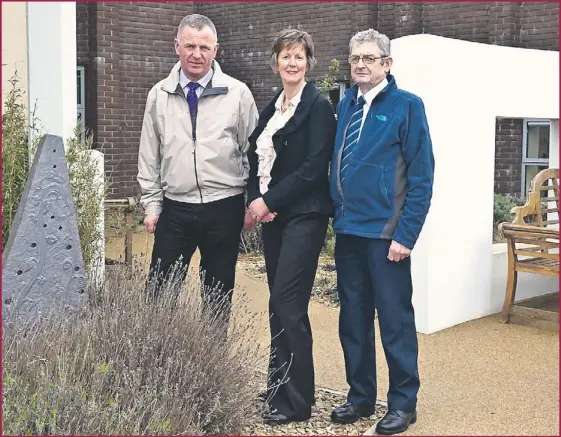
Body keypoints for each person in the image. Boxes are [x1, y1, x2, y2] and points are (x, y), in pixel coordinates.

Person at [329, 29, 435, 435]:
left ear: (386, 64)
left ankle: (403, 404)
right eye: (355, 57)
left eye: (369, 58)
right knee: (353, 320)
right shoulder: (348, 105)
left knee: (395, 321)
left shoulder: (408, 106)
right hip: (349, 231)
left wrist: (405, 235)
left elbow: (422, 177)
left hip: (386, 236)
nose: (360, 64)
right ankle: (360, 397)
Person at [137, 14, 259, 322]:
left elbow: (255, 154)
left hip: (224, 208)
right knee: (159, 297)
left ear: (216, 49)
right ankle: (155, 364)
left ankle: (214, 366)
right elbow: (149, 155)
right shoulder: (158, 95)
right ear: (176, 46)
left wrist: (252, 202)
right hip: (175, 210)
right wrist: (152, 205)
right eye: (189, 45)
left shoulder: (238, 94)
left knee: (217, 300)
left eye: (204, 47)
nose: (196, 54)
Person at [245, 29, 337, 425]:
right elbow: (256, 155)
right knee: (276, 304)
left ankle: (297, 402)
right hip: (275, 217)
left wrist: (269, 200)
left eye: (299, 56)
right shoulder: (274, 106)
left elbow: (314, 169)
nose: (292, 62)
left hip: (304, 215)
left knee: (289, 304)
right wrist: (256, 200)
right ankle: (279, 385)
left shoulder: (317, 107)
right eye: (286, 56)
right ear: (276, 62)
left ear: (309, 63)